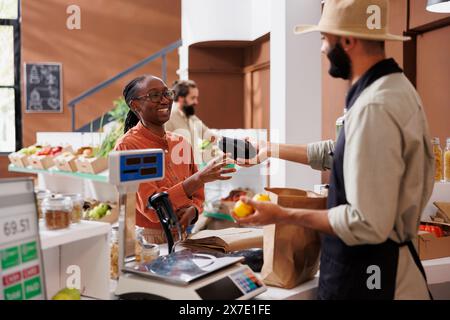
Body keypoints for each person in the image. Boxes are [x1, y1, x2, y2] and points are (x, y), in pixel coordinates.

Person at [233, 0, 434, 300]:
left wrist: (283, 214)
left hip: (376, 277)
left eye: (325, 39)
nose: (322, 48)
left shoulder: (374, 107)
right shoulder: (392, 88)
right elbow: (343, 151)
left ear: (348, 41)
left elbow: (366, 223)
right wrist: (271, 149)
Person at [115, 75, 235, 244]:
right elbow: (152, 208)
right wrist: (199, 178)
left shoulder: (181, 143)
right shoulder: (128, 146)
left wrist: (193, 211)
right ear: (135, 105)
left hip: (183, 233)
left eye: (167, 93)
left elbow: (198, 196)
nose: (164, 100)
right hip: (147, 240)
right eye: (155, 95)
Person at [165, 79, 218, 164]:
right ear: (181, 98)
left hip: (195, 170)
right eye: (193, 98)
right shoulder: (168, 118)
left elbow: (210, 136)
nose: (196, 102)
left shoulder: (191, 117)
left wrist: (234, 143)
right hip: (179, 172)